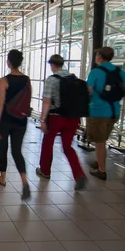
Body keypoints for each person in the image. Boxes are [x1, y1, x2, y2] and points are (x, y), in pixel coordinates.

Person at [36, 55, 88, 190]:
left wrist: (42, 120)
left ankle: (45, 171)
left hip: (56, 117)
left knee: (48, 142)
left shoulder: (52, 80)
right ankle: (79, 174)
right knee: (67, 147)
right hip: (72, 118)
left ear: (52, 65)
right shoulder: (74, 79)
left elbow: (47, 102)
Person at [86, 47, 125, 179]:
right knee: (103, 139)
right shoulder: (120, 72)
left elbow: (88, 91)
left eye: (97, 55)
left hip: (98, 112)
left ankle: (101, 170)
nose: (96, 57)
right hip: (114, 111)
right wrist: (113, 96)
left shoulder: (95, 72)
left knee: (100, 142)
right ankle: (100, 161)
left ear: (100, 56)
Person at [0, 50, 31, 200]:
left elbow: (0, 103)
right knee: (17, 151)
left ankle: (3, 178)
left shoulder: (4, 80)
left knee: (3, 149)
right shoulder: (27, 80)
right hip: (21, 121)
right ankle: (24, 182)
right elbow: (27, 101)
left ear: (9, 62)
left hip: (6, 120)